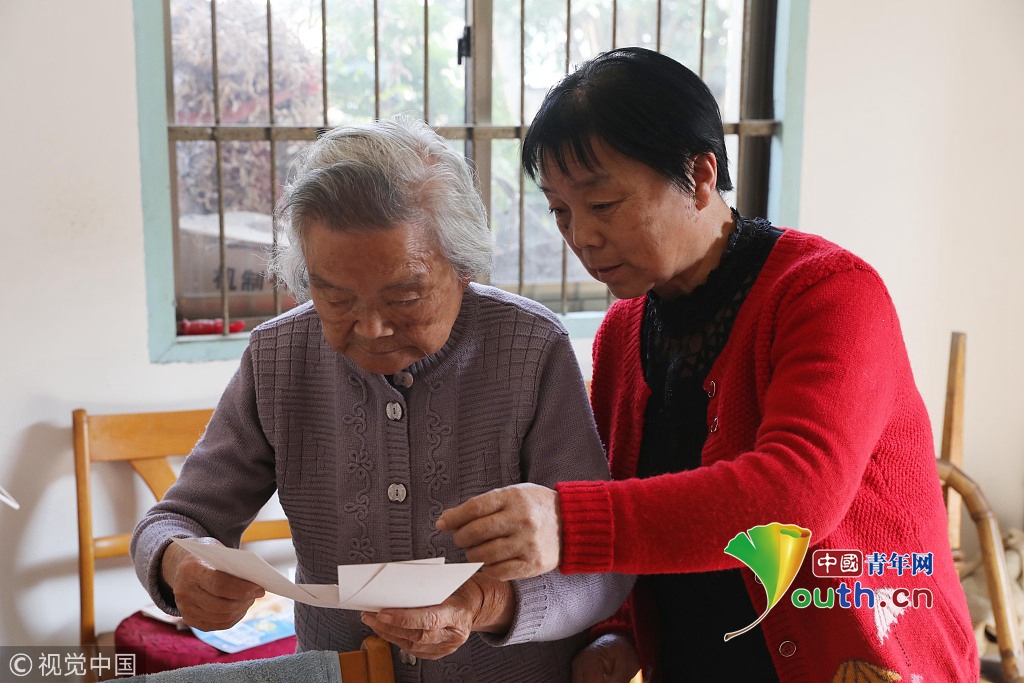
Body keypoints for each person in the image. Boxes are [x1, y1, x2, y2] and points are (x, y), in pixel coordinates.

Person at [434, 48, 977, 682]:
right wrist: (619, 632)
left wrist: (566, 522)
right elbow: (642, 509)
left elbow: (795, 496)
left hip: (865, 659)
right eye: (560, 210)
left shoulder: (827, 293)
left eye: (602, 204)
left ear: (698, 175)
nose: (581, 236)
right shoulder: (623, 334)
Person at [130, 115, 633, 683]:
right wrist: (178, 563)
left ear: (464, 268)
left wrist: (483, 605)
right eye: (334, 297)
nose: (370, 328)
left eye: (404, 298)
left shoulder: (530, 348)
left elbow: (603, 567)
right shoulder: (278, 357)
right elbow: (175, 520)